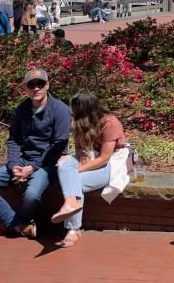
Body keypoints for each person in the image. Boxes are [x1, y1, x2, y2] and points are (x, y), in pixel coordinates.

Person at [0, 69, 71, 238]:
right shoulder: (22, 109)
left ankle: (10, 225)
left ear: (47, 85)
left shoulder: (60, 110)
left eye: (40, 84)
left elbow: (59, 145)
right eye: (31, 85)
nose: (36, 88)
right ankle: (19, 225)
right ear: (26, 88)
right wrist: (13, 165)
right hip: (23, 160)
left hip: (48, 163)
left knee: (32, 194)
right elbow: (14, 139)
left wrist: (32, 168)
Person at [50, 91, 131, 247]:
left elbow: (105, 158)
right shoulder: (79, 121)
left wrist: (78, 170)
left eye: (75, 109)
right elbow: (80, 147)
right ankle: (71, 203)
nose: (71, 112)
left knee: (76, 181)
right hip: (91, 156)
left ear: (86, 109)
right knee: (64, 163)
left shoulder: (109, 123)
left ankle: (73, 229)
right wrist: (82, 153)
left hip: (112, 162)